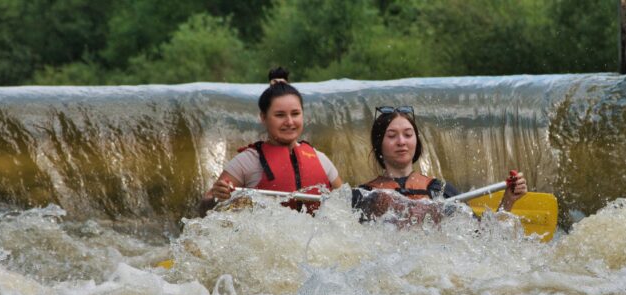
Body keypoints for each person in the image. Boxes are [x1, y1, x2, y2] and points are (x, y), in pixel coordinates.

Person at [199, 67, 343, 216]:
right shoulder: (246, 162)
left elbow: (348, 206)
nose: (289, 122)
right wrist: (217, 197)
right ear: (263, 117)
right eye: (280, 115)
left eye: (295, 114)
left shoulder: (321, 160)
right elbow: (205, 208)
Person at [353, 106, 527, 222]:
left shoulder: (440, 190)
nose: (401, 142)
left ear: (416, 142)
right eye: (392, 136)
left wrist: (508, 201)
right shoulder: (363, 195)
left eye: (408, 135)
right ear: (379, 145)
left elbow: (482, 239)